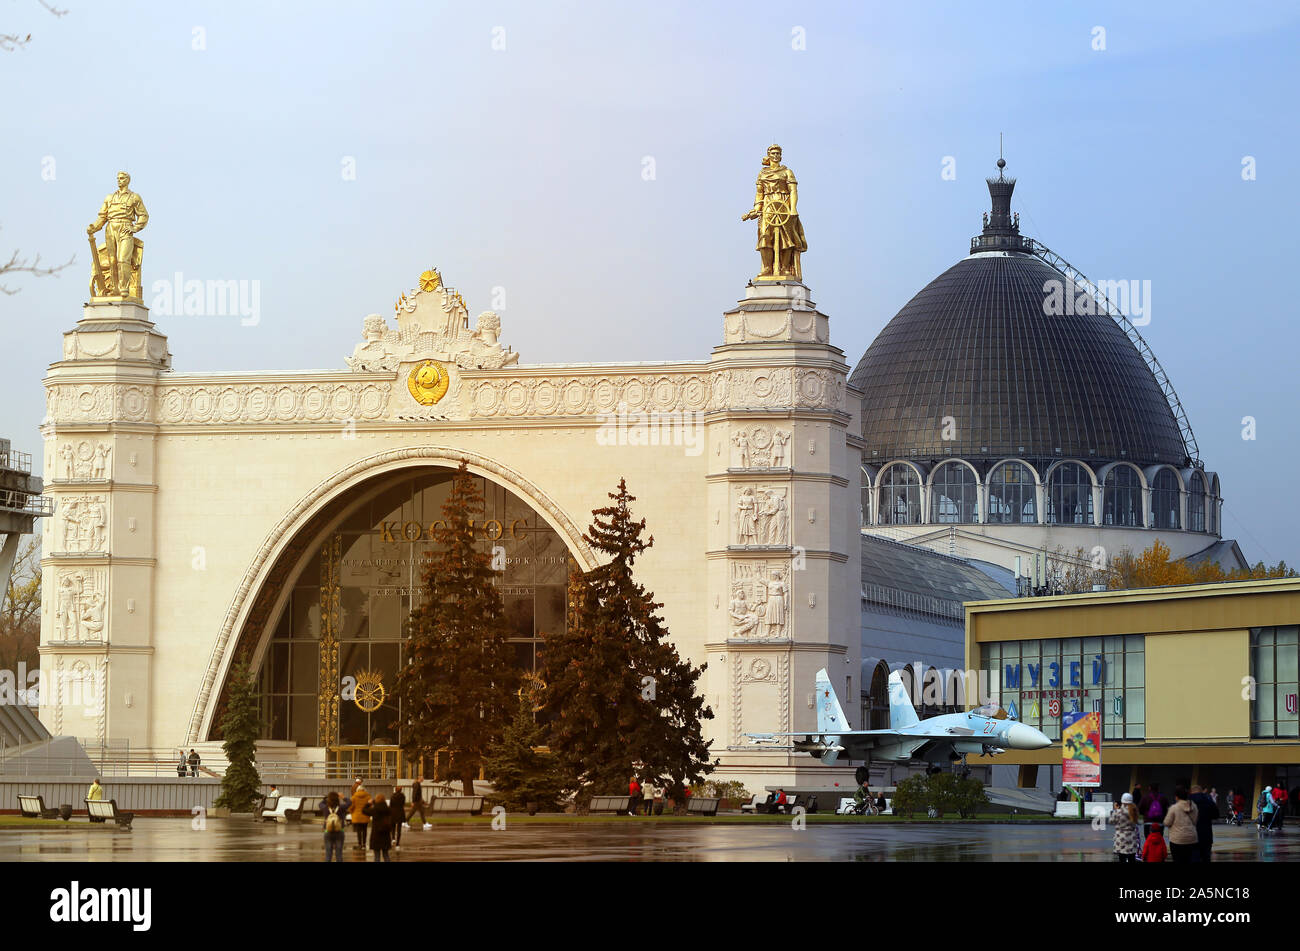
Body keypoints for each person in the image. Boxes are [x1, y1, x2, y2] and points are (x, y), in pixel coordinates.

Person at [1163, 785, 1199, 862]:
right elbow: (1195, 820)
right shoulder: (1194, 806)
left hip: (1177, 840)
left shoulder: (1174, 808)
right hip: (1192, 838)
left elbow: (1167, 822)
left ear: (1177, 797)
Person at [1189, 785, 1219, 863]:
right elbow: (1216, 815)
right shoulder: (1208, 800)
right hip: (1206, 835)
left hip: (1190, 836)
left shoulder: (1187, 801)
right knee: (1206, 858)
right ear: (1201, 791)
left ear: (1191, 792)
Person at [1109, 793, 1141, 863]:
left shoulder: (1118, 812)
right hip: (1132, 837)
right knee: (1132, 857)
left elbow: (1111, 821)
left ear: (1122, 801)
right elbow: (1137, 821)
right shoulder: (1134, 811)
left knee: (1122, 857)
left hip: (1121, 837)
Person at [362, 794, 392, 862]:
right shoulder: (388, 809)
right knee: (386, 854)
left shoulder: (375, 809)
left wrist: (368, 803)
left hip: (376, 834)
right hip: (386, 833)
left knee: (377, 855)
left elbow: (364, 810)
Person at [323, 791, 346, 862]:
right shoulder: (341, 807)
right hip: (339, 831)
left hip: (328, 831)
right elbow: (349, 803)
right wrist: (343, 798)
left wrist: (326, 798)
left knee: (328, 854)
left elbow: (320, 803)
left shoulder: (325, 807)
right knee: (339, 853)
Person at [350, 780, 372, 849]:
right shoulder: (368, 797)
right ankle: (364, 844)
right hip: (365, 816)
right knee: (365, 830)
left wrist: (351, 812)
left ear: (357, 790)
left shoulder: (354, 797)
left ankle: (359, 844)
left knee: (359, 831)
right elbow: (370, 806)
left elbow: (351, 807)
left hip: (357, 817)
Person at [388, 783, 406, 851]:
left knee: (393, 827)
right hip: (400, 812)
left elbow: (390, 805)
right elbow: (403, 804)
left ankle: (393, 838)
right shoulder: (403, 796)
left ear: (395, 790)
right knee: (399, 828)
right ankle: (398, 843)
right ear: (401, 790)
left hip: (393, 813)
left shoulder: (392, 796)